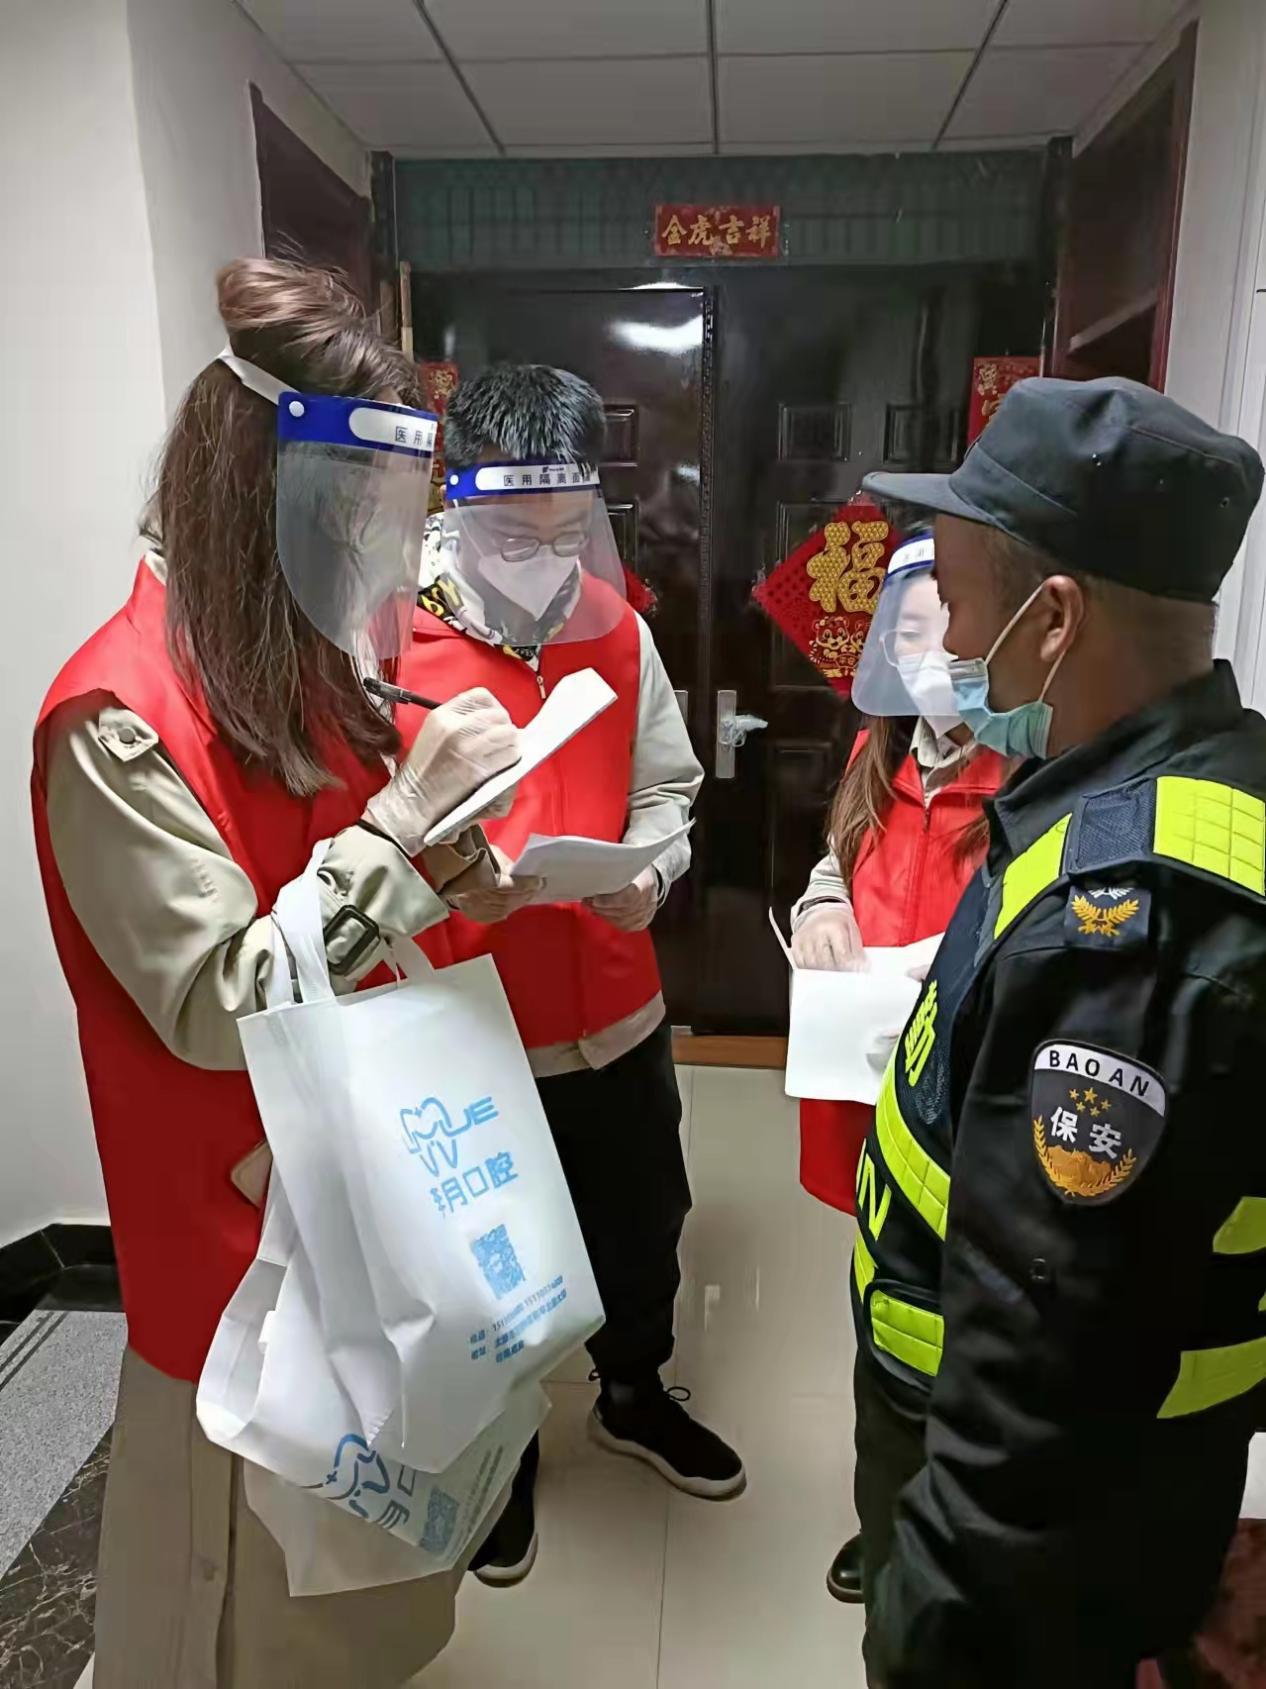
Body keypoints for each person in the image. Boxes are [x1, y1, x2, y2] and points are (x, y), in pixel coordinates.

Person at [31, 259, 524, 1689]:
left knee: (368, 1591)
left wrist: (458, 866)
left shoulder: (298, 668)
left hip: (379, 1198)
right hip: (246, 1244)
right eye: (355, 511)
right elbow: (218, 1002)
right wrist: (400, 830)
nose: (379, 548)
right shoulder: (116, 719)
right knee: (246, 1612)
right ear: (262, 493)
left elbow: (358, 907)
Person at [847, 374, 1266, 1687]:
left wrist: (926, 1637)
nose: (949, 644)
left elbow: (1036, 1397)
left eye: (960, 601)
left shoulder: (1126, 930)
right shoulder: (1183, 780)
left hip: (1032, 1557)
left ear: (1055, 619)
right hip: (1106, 1504)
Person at [397, 363, 745, 1585]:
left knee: (642, 1222)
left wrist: (650, 873)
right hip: (467, 1023)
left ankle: (634, 1393)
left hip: (616, 1005)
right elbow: (355, 832)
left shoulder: (614, 623)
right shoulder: (388, 639)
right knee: (483, 1259)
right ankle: (502, 1459)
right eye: (513, 537)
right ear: (455, 499)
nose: (546, 562)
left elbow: (669, 786)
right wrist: (445, 877)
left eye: (566, 533)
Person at [789, 526, 1007, 1605]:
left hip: (970, 1108)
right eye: (911, 636)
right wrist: (822, 908)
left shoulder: (1028, 774)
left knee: (969, 1329)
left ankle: (943, 1526)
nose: (934, 661)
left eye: (954, 638)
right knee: (881, 1305)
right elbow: (835, 862)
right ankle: (883, 1515)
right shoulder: (878, 753)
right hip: (869, 1082)